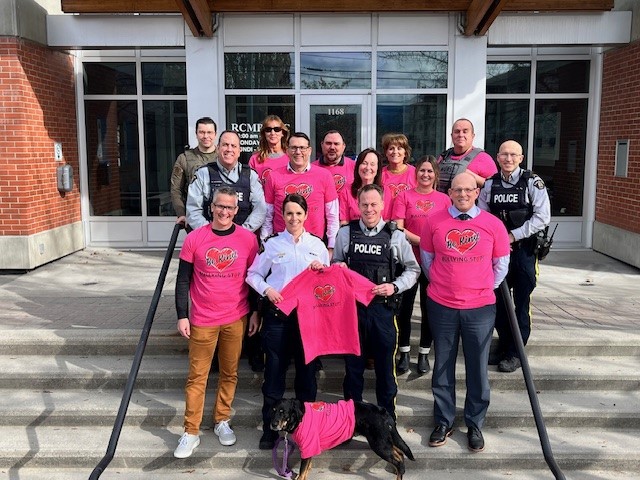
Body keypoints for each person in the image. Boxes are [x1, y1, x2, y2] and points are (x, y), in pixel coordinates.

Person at [420, 172, 510, 453]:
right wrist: (446, 284)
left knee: (477, 368)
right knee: (443, 365)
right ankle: (444, 421)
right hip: (442, 305)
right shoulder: (433, 222)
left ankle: (474, 423)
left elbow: (501, 265)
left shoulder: (493, 225)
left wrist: (481, 288)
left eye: (468, 190)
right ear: (449, 192)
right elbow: (427, 260)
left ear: (476, 192)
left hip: (480, 308)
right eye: (457, 190)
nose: (462, 194)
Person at [173, 186, 259, 458]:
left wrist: (256, 312)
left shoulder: (248, 239)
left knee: (230, 373)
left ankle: (222, 420)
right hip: (202, 319)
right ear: (211, 207)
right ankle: (190, 431)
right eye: (220, 206)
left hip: (236, 317)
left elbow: (254, 279)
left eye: (230, 207)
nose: (224, 211)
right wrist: (182, 314)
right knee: (197, 376)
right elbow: (183, 280)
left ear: (237, 210)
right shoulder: (195, 239)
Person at [246, 194, 330, 450]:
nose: (293, 218)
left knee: (307, 377)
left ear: (306, 215)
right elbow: (253, 275)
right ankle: (270, 430)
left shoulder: (318, 245)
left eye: (298, 213)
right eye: (289, 213)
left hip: (308, 319)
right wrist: (267, 290)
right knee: (274, 374)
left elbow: (327, 285)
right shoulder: (272, 244)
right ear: (283, 216)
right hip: (278, 318)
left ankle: (305, 428)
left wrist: (322, 270)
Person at [332, 184, 420, 419]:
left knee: (385, 370)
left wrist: (394, 286)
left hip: (383, 311)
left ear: (382, 205)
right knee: (353, 369)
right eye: (364, 204)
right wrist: (337, 267)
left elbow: (413, 270)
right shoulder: (345, 233)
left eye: (373, 204)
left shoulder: (395, 235)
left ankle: (387, 419)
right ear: (357, 205)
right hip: (353, 312)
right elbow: (336, 262)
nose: (369, 209)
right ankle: (350, 420)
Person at [478, 140, 551, 373]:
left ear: (521, 158)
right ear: (497, 157)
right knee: (498, 301)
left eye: (513, 155)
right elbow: (482, 216)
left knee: (521, 303)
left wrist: (512, 236)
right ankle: (504, 345)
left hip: (524, 252)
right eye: (504, 155)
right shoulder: (490, 184)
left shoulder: (532, 182)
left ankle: (516, 352)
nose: (508, 159)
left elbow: (542, 218)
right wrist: (496, 241)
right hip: (498, 254)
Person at [391, 155, 451, 375]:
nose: (425, 175)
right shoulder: (404, 196)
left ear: (436, 174)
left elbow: (447, 229)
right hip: (407, 260)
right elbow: (398, 227)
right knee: (404, 309)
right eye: (422, 171)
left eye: (429, 171)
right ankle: (404, 352)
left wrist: (429, 246)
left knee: (429, 308)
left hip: (434, 262)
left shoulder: (444, 200)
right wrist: (424, 242)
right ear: (415, 173)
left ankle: (424, 353)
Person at [261, 132, 339, 251]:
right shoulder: (274, 176)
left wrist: (332, 247)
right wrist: (265, 245)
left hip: (314, 245)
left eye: (302, 148)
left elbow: (332, 215)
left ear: (309, 150)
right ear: (287, 150)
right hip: (281, 245)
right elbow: (267, 215)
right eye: (294, 148)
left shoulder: (324, 176)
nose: (298, 152)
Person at [186, 130, 266, 233]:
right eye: (225, 145)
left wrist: (241, 232)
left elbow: (260, 210)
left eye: (233, 146)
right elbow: (193, 211)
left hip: (242, 237)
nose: (229, 149)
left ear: (239, 150)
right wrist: (211, 233)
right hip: (209, 238)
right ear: (218, 148)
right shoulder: (203, 174)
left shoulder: (251, 176)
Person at [170, 117, 217, 229]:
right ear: (196, 134)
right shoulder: (184, 158)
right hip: (194, 217)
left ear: (215, 134)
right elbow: (176, 190)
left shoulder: (225, 157)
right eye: (202, 132)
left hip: (221, 217)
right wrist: (181, 213)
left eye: (209, 132)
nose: (206, 136)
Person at [436, 118, 498, 193]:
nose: (461, 135)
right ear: (452, 136)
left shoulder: (484, 158)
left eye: (465, 132)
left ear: (472, 136)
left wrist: (471, 175)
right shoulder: (443, 157)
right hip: (443, 203)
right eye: (457, 132)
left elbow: (495, 187)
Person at [339, 148, 384, 225]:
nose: (368, 168)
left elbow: (388, 221)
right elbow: (344, 222)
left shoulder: (386, 191)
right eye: (364, 163)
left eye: (372, 164)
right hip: (354, 234)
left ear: (378, 169)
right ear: (357, 167)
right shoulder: (346, 192)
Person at [381, 133, 416, 217]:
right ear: (386, 153)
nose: (395, 152)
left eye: (399, 148)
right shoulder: (380, 174)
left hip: (409, 220)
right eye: (391, 148)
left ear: (405, 153)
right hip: (385, 221)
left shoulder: (415, 173)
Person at [249, 115, 290, 185]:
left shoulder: (290, 157)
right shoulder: (255, 159)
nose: (272, 133)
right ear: (264, 134)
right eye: (268, 130)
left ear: (282, 133)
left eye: (277, 129)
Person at [314, 130, 355, 197]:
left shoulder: (355, 167)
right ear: (322, 144)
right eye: (328, 143)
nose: (332, 147)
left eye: (336, 144)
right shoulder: (312, 169)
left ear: (343, 146)